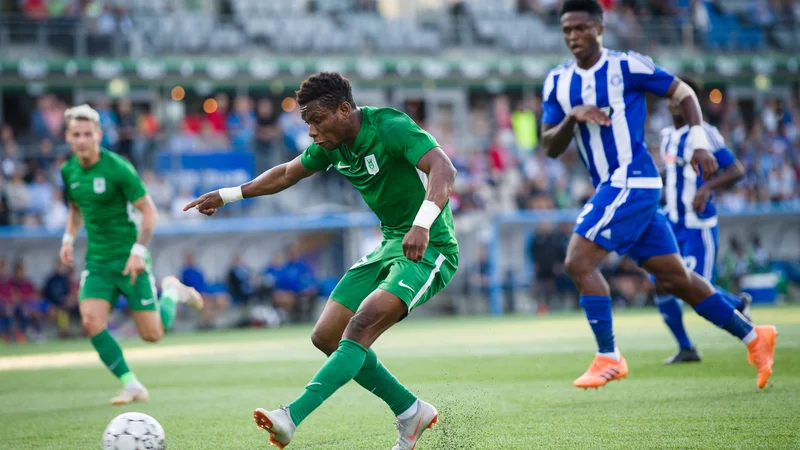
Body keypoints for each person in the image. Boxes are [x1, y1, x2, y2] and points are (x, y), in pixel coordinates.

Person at [185, 72, 459, 449]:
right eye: (307, 123)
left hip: (430, 248)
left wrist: (422, 224)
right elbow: (285, 173)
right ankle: (410, 411)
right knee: (326, 335)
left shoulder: (390, 126)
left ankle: (290, 416)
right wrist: (228, 195)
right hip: (390, 243)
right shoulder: (333, 145)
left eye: (316, 120)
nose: (311, 132)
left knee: (361, 325)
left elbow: (444, 168)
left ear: (345, 110)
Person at [540, 0, 777, 390]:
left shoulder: (627, 66)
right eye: (567, 30)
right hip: (616, 186)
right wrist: (573, 116)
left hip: (632, 178)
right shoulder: (557, 82)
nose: (573, 37)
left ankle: (609, 356)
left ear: (600, 27)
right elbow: (549, 145)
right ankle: (755, 336)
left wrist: (700, 141)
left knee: (578, 261)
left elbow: (683, 90)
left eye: (581, 28)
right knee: (677, 279)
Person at [58, 104, 203, 405]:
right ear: (68, 137)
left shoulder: (118, 168)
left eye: (88, 133)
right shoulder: (68, 170)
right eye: (76, 134)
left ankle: (173, 292)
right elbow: (75, 210)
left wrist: (138, 251)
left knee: (152, 334)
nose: (82, 139)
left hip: (129, 259)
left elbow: (149, 212)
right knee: (90, 321)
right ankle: (132, 384)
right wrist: (68, 239)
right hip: (97, 262)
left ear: (99, 135)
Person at [656, 77, 751, 364]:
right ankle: (686, 347)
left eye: (680, 98)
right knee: (661, 282)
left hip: (697, 224)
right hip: (670, 221)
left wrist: (706, 188)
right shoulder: (666, 136)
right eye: (671, 97)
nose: (674, 103)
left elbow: (736, 170)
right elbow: (671, 176)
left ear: (692, 102)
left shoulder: (705, 135)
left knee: (694, 286)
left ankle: (738, 305)